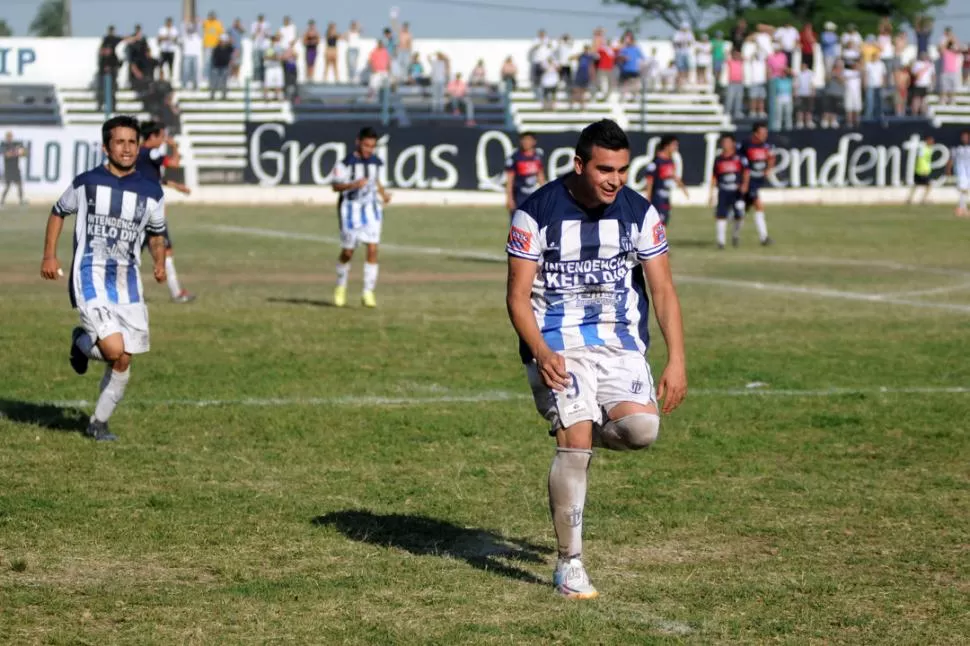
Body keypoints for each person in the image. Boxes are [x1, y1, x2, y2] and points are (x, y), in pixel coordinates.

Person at [505, 119, 687, 600]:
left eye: (623, 170)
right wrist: (541, 350)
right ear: (579, 164)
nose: (615, 180)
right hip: (557, 345)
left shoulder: (639, 212)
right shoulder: (535, 212)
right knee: (577, 440)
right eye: (605, 169)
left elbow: (663, 289)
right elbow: (517, 297)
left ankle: (579, 433)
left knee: (641, 432)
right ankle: (570, 564)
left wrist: (678, 359)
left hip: (619, 343)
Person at [39, 116, 168, 442]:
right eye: (119, 142)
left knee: (124, 358)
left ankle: (98, 422)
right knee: (113, 349)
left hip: (128, 282)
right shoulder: (87, 183)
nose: (126, 148)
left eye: (132, 142)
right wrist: (49, 255)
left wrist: (159, 261)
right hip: (90, 274)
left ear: (138, 147)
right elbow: (58, 211)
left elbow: (156, 233)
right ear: (106, 146)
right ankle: (81, 342)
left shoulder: (152, 191)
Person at [331, 127, 391, 309]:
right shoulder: (345, 163)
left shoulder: (377, 163)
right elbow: (335, 187)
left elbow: (376, 180)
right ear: (358, 142)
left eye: (372, 146)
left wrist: (383, 194)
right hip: (350, 210)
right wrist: (353, 184)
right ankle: (341, 287)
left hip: (372, 209)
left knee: (372, 249)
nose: (369, 150)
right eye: (366, 145)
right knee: (348, 251)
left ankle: (368, 292)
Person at [136, 121, 194, 303]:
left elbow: (153, 179)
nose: (163, 140)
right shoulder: (151, 152)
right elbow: (174, 164)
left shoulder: (139, 155)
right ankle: (177, 293)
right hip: (152, 212)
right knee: (165, 251)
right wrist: (174, 147)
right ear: (152, 136)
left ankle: (132, 293)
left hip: (138, 211)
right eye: (161, 136)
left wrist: (176, 186)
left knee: (132, 253)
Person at [709, 133, 749, 249]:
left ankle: (735, 235)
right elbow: (714, 176)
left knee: (739, 216)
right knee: (721, 215)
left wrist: (745, 185)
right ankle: (721, 242)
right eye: (724, 142)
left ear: (733, 143)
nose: (725, 145)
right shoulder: (719, 159)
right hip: (723, 191)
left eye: (728, 142)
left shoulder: (740, 158)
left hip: (736, 192)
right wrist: (711, 193)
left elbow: (746, 172)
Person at [739, 123, 774, 245]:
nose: (765, 136)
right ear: (755, 133)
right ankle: (764, 237)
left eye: (766, 133)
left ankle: (734, 235)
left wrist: (768, 169)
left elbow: (771, 157)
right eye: (762, 133)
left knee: (743, 209)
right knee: (759, 206)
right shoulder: (746, 145)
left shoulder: (766, 145)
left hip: (757, 181)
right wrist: (745, 182)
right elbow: (742, 165)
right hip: (749, 182)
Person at [643, 135, 688, 226]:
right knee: (658, 223)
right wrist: (648, 196)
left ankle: (660, 240)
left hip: (666, 197)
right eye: (674, 145)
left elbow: (674, 176)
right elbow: (649, 179)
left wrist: (684, 189)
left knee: (664, 222)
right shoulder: (656, 162)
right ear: (666, 146)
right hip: (657, 197)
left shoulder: (670, 161)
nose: (676, 148)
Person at [504, 132, 546, 215]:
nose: (526, 142)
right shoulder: (515, 157)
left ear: (534, 142)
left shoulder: (538, 156)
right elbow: (509, 180)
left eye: (528, 140)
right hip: (519, 195)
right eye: (524, 140)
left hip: (533, 194)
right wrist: (509, 198)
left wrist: (545, 194)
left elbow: (540, 176)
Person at [947, 130, 970, 217]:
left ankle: (963, 208)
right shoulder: (956, 148)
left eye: (966, 137)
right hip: (961, 172)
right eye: (963, 137)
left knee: (965, 190)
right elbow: (951, 159)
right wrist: (948, 169)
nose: (965, 139)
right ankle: (961, 208)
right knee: (963, 189)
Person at [907, 134, 934, 206]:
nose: (932, 142)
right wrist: (921, 170)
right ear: (927, 141)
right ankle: (923, 200)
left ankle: (910, 199)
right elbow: (919, 160)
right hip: (922, 171)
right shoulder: (923, 149)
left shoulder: (929, 149)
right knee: (928, 185)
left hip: (923, 170)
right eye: (931, 140)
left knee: (917, 185)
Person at [1, 131, 26, 208]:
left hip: (15, 168)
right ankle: (2, 201)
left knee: (19, 185)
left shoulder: (15, 144)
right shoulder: (3, 145)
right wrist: (16, 152)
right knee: (7, 186)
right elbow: (7, 154)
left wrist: (17, 152)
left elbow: (23, 153)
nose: (9, 138)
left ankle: (21, 201)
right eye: (8, 136)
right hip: (8, 169)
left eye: (10, 136)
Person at [157, 17, 179, 82]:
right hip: (163, 50)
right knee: (161, 65)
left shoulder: (174, 29)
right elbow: (159, 38)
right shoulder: (162, 29)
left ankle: (170, 79)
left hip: (171, 50)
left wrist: (167, 37)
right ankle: (161, 78)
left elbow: (175, 39)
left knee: (171, 66)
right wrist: (166, 37)